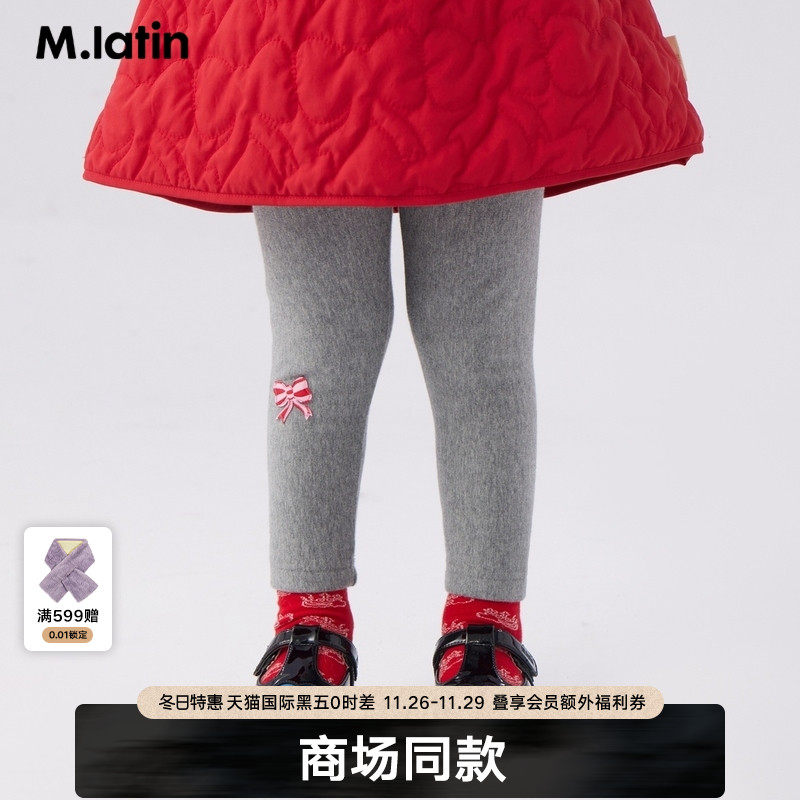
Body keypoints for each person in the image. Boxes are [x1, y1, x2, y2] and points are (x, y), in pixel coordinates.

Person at [83, 1, 703, 686]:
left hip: (484, 37)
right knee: (324, 354)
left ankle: (483, 617)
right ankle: (310, 613)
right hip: (306, 40)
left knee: (475, 352)